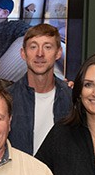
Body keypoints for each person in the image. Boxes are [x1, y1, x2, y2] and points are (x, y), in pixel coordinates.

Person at [7, 23, 72, 155]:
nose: (40, 54)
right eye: (33, 47)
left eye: (47, 47)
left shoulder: (72, 98)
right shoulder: (6, 99)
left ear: (58, 52)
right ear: (23, 53)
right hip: (19, 174)